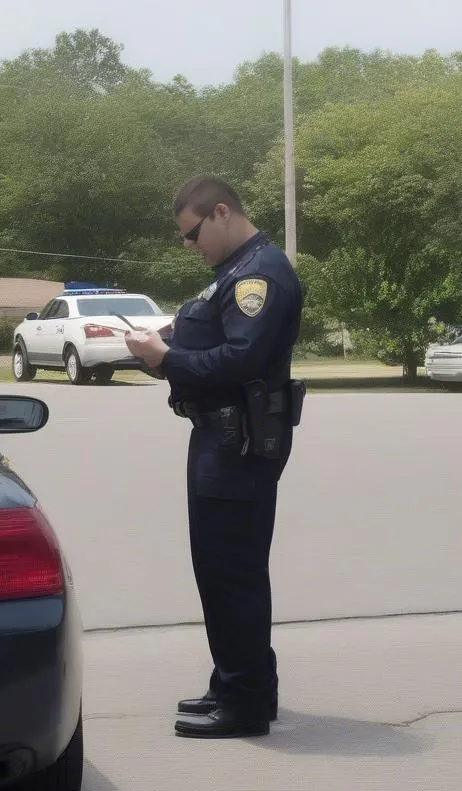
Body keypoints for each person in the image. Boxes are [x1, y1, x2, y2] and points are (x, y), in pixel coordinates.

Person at [124, 175, 305, 739]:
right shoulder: (232, 274)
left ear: (222, 212)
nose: (189, 246)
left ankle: (245, 702)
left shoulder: (259, 274)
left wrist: (167, 357)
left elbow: (239, 359)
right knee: (220, 569)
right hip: (218, 438)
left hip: (238, 442)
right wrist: (162, 352)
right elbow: (215, 346)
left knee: (232, 571)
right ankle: (236, 684)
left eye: (192, 234)